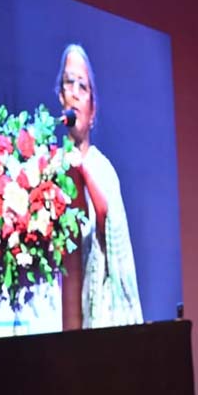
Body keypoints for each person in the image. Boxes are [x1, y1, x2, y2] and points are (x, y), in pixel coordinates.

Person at [56, 43, 143, 329]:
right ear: (61, 97)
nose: (75, 92)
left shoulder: (103, 169)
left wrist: (82, 169)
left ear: (92, 111)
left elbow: (107, 219)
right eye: (69, 83)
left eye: (83, 86)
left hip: (98, 319)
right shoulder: (48, 169)